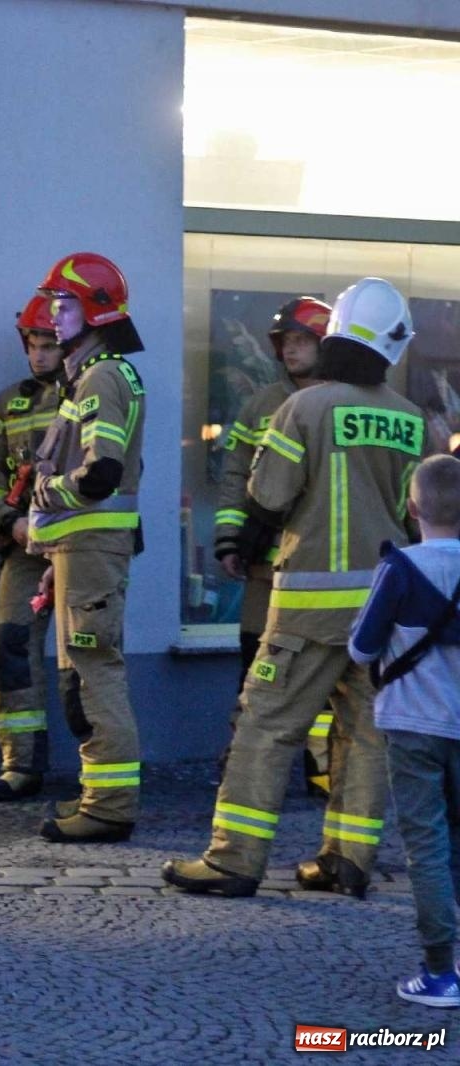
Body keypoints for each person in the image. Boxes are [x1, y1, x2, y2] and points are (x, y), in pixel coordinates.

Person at [164, 277, 427, 899]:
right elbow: (414, 515)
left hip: (307, 611)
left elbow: (269, 495)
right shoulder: (411, 418)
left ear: (334, 333)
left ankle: (234, 860)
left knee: (266, 727)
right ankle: (348, 862)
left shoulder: (304, 407)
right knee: (365, 734)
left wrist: (246, 537)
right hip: (382, 609)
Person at [27, 252, 147, 843]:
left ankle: (109, 807)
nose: (54, 312)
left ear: (96, 310)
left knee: (92, 677)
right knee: (85, 678)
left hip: (93, 552)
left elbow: (101, 474)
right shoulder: (95, 372)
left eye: (66, 302)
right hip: (84, 555)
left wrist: (49, 495)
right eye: (54, 301)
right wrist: (57, 561)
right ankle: (101, 798)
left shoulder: (101, 376)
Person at [349, 454, 460, 1007]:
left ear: (412, 507)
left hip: (413, 726)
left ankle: (441, 972)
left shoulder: (399, 568)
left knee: (427, 846)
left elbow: (361, 647)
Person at [214, 297, 334, 797]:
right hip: (264, 564)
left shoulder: (337, 401)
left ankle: (322, 769)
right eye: (285, 342)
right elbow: (236, 473)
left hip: (314, 564)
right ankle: (246, 767)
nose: (291, 350)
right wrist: (228, 537)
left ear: (324, 345)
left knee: (323, 672)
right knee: (254, 663)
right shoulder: (262, 402)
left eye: (302, 340)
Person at [0, 296, 63, 801]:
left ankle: (102, 770)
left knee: (88, 655)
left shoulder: (91, 395)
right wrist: (9, 522)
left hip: (80, 543)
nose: (41, 355)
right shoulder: (9, 403)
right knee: (10, 643)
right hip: (24, 545)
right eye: (34, 345)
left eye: (49, 345)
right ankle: (21, 763)